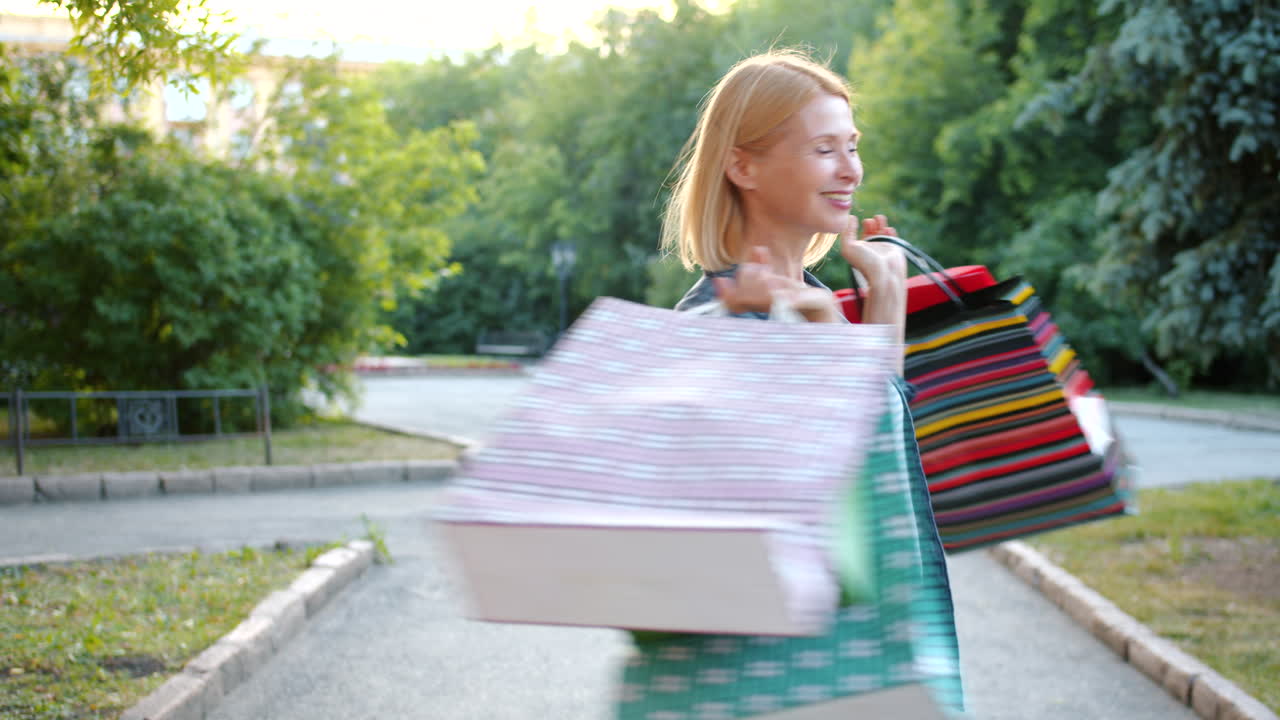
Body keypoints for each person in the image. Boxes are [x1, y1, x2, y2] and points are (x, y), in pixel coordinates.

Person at [616, 50, 965, 717]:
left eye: (853, 147)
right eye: (823, 149)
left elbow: (876, 473)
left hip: (844, 662)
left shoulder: (807, 302)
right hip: (781, 677)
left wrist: (885, 301)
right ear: (743, 166)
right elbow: (817, 507)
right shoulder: (723, 320)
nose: (851, 170)